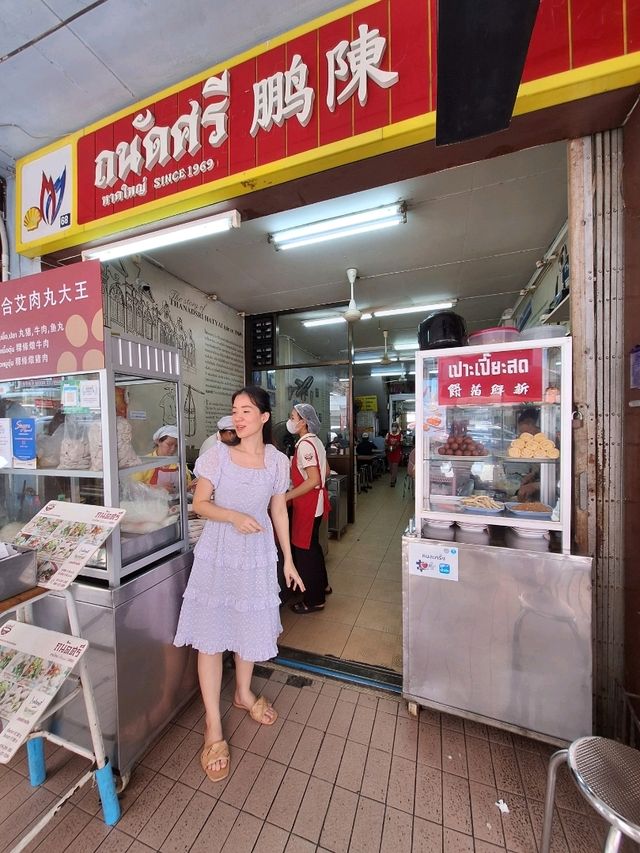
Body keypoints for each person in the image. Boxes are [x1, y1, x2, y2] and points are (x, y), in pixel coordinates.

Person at [174, 386, 304, 783]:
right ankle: (213, 726)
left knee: (249, 626)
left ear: (265, 417)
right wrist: (231, 516)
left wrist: (290, 560)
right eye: (235, 410)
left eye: (247, 410)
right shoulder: (216, 455)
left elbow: (279, 509)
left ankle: (243, 693)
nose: (239, 416)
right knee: (211, 636)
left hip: (258, 554)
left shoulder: (278, 462)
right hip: (220, 552)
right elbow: (200, 505)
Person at [285, 403, 331, 614]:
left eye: (293, 417)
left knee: (305, 551)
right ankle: (322, 586)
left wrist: (287, 495)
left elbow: (313, 479)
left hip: (308, 504)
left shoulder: (304, 445)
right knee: (314, 547)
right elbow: (326, 471)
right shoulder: (316, 441)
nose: (290, 420)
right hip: (316, 503)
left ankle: (314, 600)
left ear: (303, 422)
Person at [132, 424, 193, 494]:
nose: (173, 449)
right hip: (152, 503)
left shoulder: (179, 464)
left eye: (176, 446)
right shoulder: (144, 463)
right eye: (169, 444)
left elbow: (187, 486)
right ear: (158, 441)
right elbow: (132, 488)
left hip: (176, 504)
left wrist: (189, 488)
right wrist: (156, 488)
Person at [385, 422, 403, 487]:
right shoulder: (388, 434)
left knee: (395, 467)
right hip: (390, 453)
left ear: (397, 427)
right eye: (393, 426)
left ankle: (392, 481)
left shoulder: (400, 435)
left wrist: (396, 445)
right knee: (391, 468)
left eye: (395, 426)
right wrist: (388, 447)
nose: (394, 427)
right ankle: (394, 477)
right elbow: (386, 442)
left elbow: (401, 443)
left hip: (397, 453)